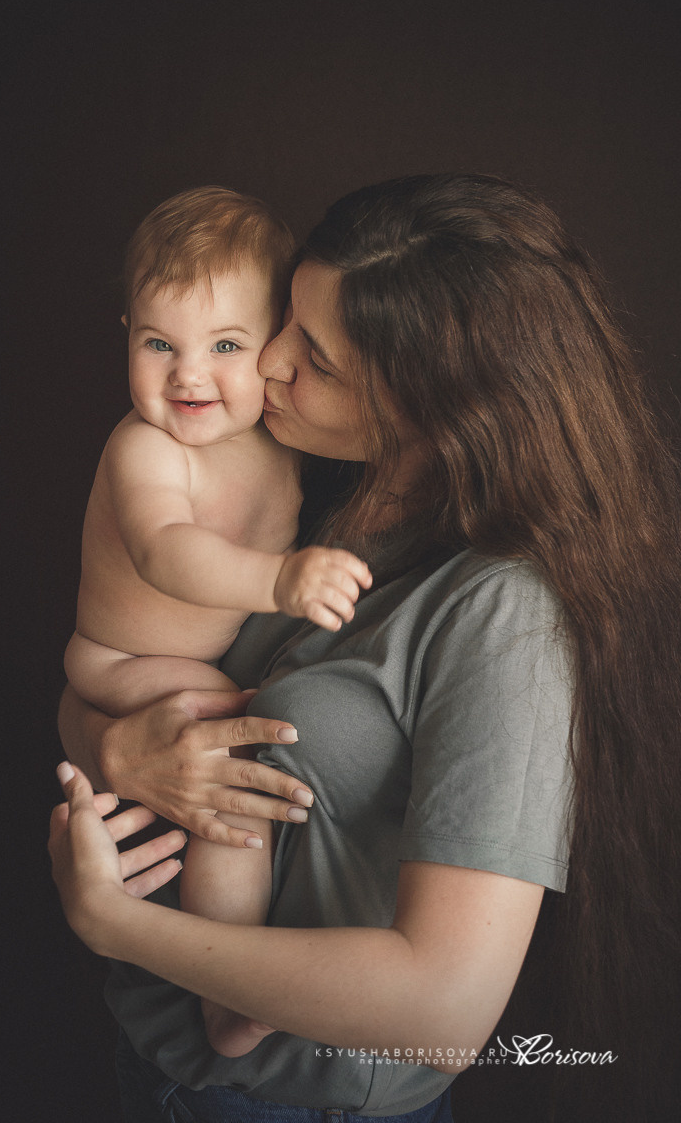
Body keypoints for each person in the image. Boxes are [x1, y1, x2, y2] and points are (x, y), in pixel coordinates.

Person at [51, 174, 681, 1122]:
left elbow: (446, 1014)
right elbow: (128, 661)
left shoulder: (504, 614)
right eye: (282, 326)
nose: (265, 368)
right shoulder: (310, 484)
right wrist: (111, 748)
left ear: (430, 401)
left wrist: (116, 924)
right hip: (153, 1063)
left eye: (316, 359)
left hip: (295, 1103)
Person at [63, 185, 372, 1056]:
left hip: (188, 658)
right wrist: (280, 580)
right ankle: (227, 992)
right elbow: (167, 553)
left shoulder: (280, 441)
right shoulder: (145, 448)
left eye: (225, 345)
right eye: (158, 343)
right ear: (126, 331)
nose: (188, 376)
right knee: (232, 747)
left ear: (275, 344)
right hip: (123, 659)